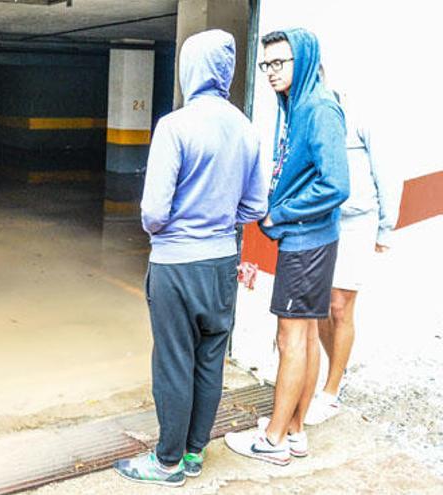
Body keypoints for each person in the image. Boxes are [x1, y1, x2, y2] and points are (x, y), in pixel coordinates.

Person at [113, 29, 267, 487]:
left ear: (189, 70)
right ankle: (196, 454)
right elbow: (257, 207)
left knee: (174, 362)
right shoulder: (246, 127)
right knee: (209, 360)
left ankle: (166, 464)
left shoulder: (175, 126)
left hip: (176, 265)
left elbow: (154, 212)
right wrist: (220, 221)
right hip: (222, 263)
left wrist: (172, 228)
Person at [224, 28, 350, 466]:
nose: (272, 72)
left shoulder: (319, 109)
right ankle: (294, 431)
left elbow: (337, 184)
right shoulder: (298, 106)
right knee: (308, 334)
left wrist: (281, 214)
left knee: (291, 337)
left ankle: (273, 440)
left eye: (280, 63)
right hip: (308, 239)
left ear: (305, 61)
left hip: (307, 240)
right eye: (267, 65)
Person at [304, 72, 402, 426]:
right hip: (319, 222)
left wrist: (385, 228)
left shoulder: (358, 112)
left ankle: (331, 391)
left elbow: (388, 172)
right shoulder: (303, 116)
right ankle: (334, 370)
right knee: (319, 309)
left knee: (339, 305)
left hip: (356, 221)